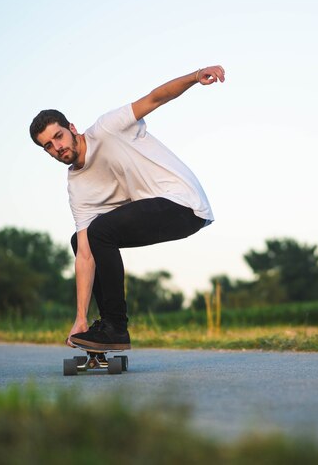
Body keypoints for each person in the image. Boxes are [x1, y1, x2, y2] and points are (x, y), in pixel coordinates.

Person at [29, 65, 225, 351]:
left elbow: (155, 98)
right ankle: (106, 326)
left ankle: (116, 328)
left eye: (58, 136)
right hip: (156, 211)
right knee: (83, 239)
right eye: (47, 146)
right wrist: (80, 318)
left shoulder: (107, 128)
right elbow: (84, 255)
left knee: (100, 230)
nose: (56, 147)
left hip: (182, 202)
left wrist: (195, 77)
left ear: (72, 129)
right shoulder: (77, 187)